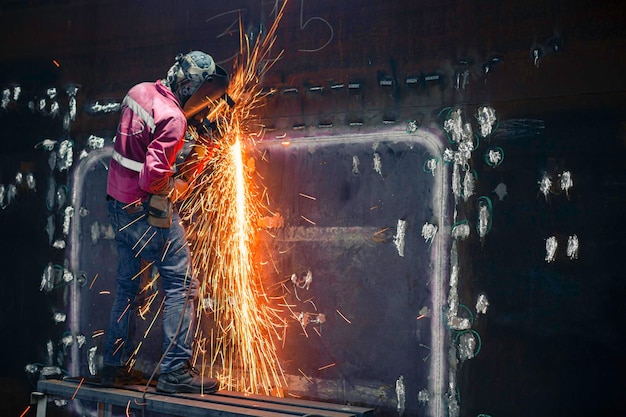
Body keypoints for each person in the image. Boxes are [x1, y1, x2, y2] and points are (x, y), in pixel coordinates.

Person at [101, 51, 229, 393]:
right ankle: (175, 371)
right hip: (144, 209)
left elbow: (140, 147)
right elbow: (153, 179)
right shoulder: (174, 118)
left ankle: (114, 365)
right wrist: (179, 185)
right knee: (181, 284)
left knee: (129, 288)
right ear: (190, 86)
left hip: (117, 204)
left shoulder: (139, 92)